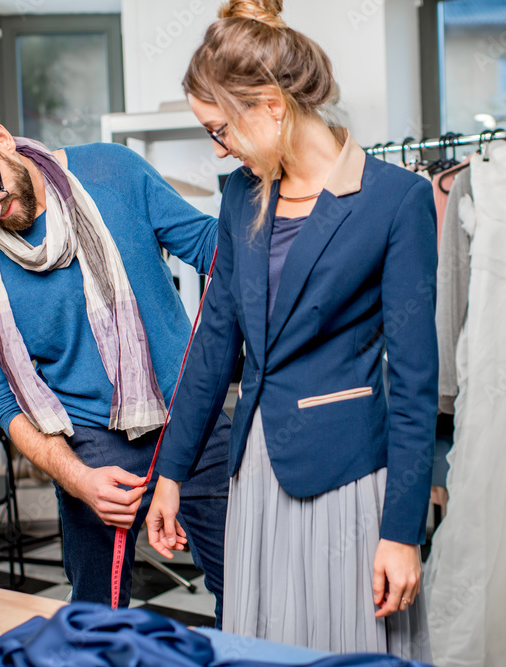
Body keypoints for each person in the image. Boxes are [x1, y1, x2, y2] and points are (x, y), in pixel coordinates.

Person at [144, 1, 437, 659]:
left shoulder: (395, 199)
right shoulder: (239, 196)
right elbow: (213, 342)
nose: (218, 148)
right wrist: (171, 472)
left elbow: (417, 385)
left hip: (347, 477)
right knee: (263, 646)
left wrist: (402, 530)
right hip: (253, 473)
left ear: (271, 107)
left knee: (346, 647)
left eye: (220, 130)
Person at [0, 95, 230, 619]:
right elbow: (8, 402)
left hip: (193, 418)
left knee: (248, 585)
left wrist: (275, 202)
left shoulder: (112, 171)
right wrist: (78, 479)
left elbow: (211, 247)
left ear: (1, 139)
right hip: (89, 446)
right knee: (95, 618)